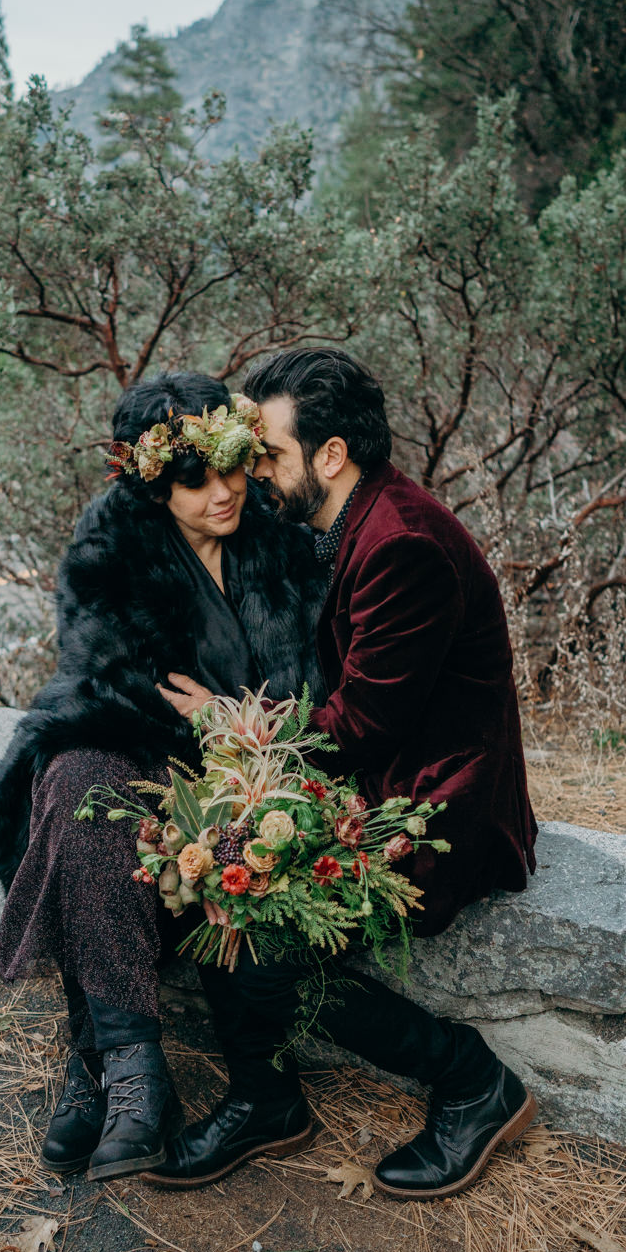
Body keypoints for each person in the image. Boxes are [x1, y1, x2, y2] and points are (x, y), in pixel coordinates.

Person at [145, 347, 539, 1201]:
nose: (256, 473)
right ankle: (266, 1099)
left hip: (438, 806)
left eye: (271, 456)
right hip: (383, 777)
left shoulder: (402, 545)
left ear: (330, 455)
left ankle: (472, 1081)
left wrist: (235, 726)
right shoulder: (344, 519)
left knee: (258, 927)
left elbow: (359, 723)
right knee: (212, 871)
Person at [0, 371, 325, 1182]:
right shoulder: (112, 540)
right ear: (153, 480)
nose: (223, 491)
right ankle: (134, 1072)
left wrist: (226, 719)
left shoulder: (279, 540)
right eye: (193, 478)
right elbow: (102, 682)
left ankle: (96, 1059)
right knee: (78, 786)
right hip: (134, 746)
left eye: (231, 467)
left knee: (90, 809)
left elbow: (308, 690)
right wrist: (190, 724)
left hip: (245, 769)